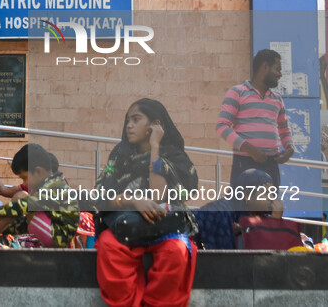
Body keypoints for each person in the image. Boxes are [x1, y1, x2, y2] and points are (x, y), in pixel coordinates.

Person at [94, 98, 199, 307]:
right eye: (127, 120)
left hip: (164, 225)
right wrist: (132, 199)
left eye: (136, 119)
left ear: (155, 125)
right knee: (108, 247)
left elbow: (159, 195)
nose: (129, 126)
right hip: (125, 224)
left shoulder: (175, 157)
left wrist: (155, 148)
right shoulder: (118, 156)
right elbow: (100, 193)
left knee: (175, 253)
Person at [0, 144, 79, 248]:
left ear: (38, 171)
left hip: (57, 236)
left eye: (25, 178)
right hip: (48, 229)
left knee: (20, 201)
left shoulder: (54, 186)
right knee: (13, 216)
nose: (25, 183)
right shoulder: (46, 183)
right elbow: (6, 194)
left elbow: (23, 205)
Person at [216, 49, 294, 188]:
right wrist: (251, 149)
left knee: (270, 207)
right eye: (277, 69)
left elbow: (285, 131)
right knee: (242, 207)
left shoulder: (277, 99)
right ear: (265, 67)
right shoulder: (237, 92)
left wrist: (290, 148)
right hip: (244, 162)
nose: (280, 74)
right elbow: (222, 127)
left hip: (271, 164)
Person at [193, 168, 282, 250]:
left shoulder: (259, 215)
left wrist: (275, 221)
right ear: (247, 194)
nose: (272, 198)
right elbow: (224, 258)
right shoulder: (221, 213)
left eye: (272, 193)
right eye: (266, 193)